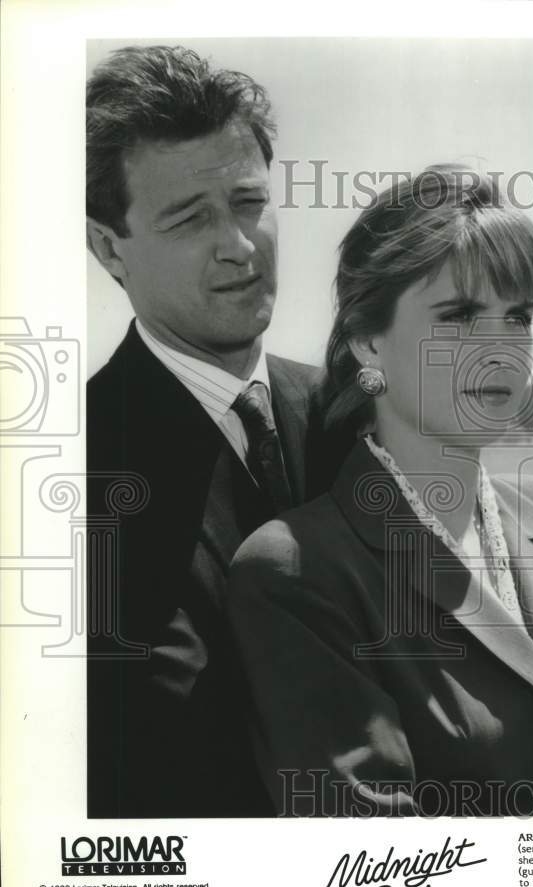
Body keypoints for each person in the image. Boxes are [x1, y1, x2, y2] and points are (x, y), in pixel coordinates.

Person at [227, 165, 533, 818]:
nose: (499, 349)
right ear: (369, 339)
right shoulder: (297, 571)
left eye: (518, 316)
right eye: (457, 316)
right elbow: (374, 866)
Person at [85, 45, 335, 817]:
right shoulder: (66, 473)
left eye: (250, 202)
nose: (237, 243)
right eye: (191, 218)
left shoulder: (353, 411)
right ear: (107, 248)